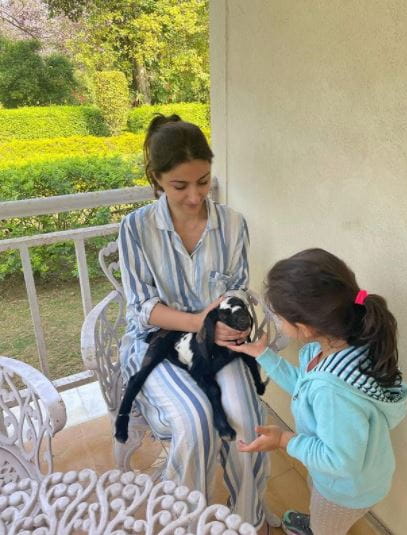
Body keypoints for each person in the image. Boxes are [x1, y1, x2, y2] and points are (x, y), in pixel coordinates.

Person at [118, 113, 271, 533]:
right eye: (179, 186)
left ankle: (247, 518)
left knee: (245, 416)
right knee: (195, 420)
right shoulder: (135, 228)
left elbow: (238, 290)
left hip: (219, 346)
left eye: (203, 181)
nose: (194, 196)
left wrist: (228, 323)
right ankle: (185, 522)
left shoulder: (233, 224)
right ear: (157, 179)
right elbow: (141, 307)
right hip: (160, 344)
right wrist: (198, 321)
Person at [228, 248, 407, 535]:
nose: (276, 322)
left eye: (278, 318)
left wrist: (284, 439)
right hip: (343, 479)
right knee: (320, 502)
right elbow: (305, 385)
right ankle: (319, 521)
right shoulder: (343, 345)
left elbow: (339, 461)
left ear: (305, 327)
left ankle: (320, 527)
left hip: (343, 492)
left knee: (327, 527)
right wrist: (264, 354)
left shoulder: (333, 391)